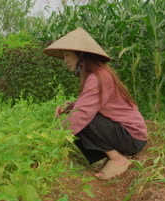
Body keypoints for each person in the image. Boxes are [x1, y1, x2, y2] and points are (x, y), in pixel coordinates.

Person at [44, 27, 147, 180]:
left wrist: (50, 138)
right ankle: (108, 156)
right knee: (76, 115)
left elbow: (82, 114)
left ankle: (117, 159)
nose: (65, 61)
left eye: (67, 55)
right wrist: (70, 106)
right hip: (127, 134)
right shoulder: (97, 75)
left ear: (81, 56)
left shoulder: (98, 78)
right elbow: (90, 105)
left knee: (81, 119)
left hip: (132, 138)